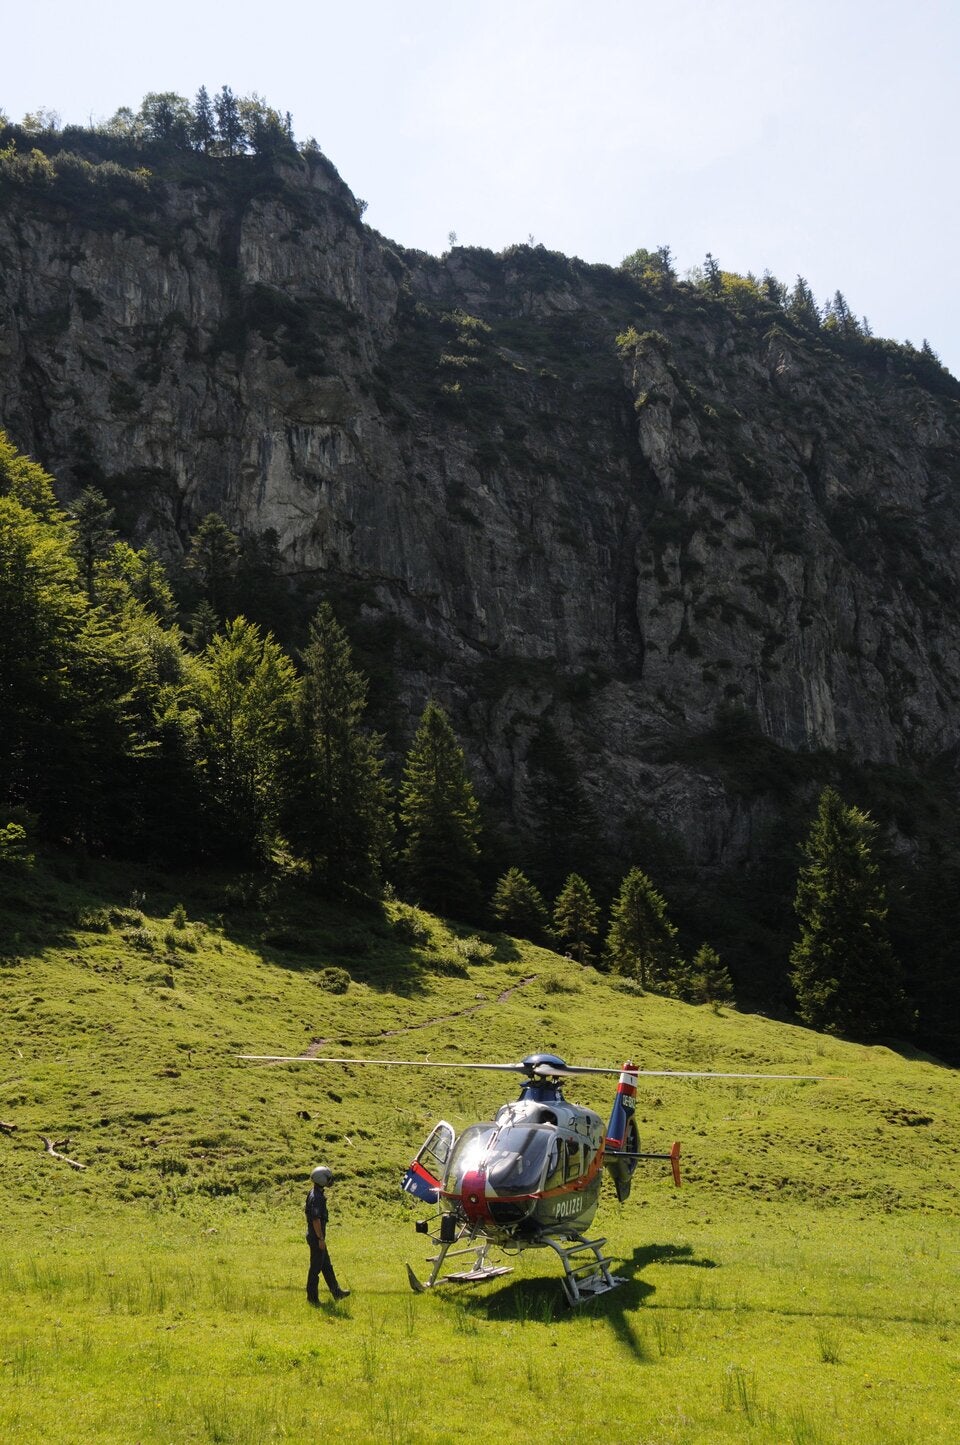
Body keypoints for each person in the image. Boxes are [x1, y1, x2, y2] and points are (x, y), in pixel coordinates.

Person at [305, 1165, 350, 1304]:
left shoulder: (315, 1192)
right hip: (316, 1236)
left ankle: (337, 1293)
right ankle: (312, 1299)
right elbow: (316, 1220)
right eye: (328, 1178)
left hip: (316, 1236)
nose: (330, 1181)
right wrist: (320, 1239)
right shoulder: (317, 1197)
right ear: (321, 1179)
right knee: (315, 1269)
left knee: (326, 1266)